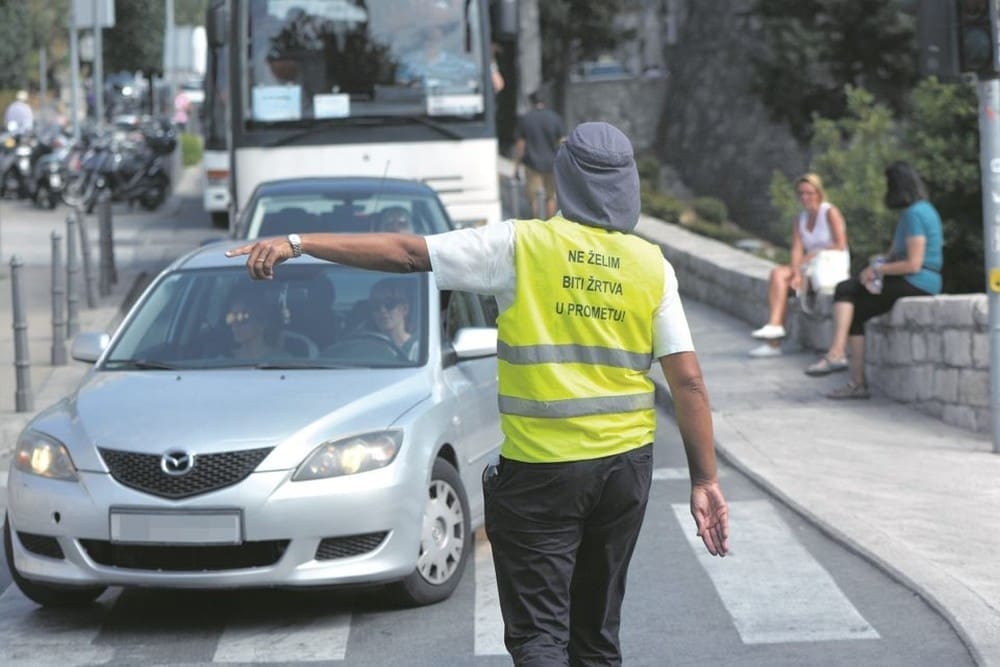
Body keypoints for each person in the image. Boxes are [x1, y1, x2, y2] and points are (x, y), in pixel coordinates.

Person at [227, 121, 729, 665]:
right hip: (624, 471)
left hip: (544, 470)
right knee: (596, 634)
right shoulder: (651, 265)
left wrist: (301, 242)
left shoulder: (519, 245)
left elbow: (405, 252)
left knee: (540, 636)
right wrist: (705, 480)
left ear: (565, 181)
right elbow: (689, 381)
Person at [805, 162, 943, 399]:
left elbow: (913, 263)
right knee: (856, 314)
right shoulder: (918, 212)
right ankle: (856, 383)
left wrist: (878, 271)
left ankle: (837, 353)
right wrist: (877, 264)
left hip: (919, 281)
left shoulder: (915, 214)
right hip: (915, 279)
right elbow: (893, 254)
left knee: (845, 288)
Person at [749, 173, 848, 357]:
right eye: (801, 193)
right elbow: (796, 249)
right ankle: (775, 327)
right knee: (778, 274)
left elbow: (840, 244)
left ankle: (774, 341)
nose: (805, 197)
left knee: (782, 280)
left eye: (809, 193)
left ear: (819, 193)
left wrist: (813, 254)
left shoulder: (829, 212)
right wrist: (796, 273)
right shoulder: (800, 219)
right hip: (807, 267)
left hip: (826, 267)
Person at [513, 91, 565, 219]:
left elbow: (520, 145)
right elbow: (562, 142)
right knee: (551, 196)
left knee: (534, 198)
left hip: (532, 165)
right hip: (552, 164)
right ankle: (550, 223)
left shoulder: (526, 119)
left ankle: (536, 223)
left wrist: (517, 166)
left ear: (532, 102)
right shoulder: (555, 118)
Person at [367, 277, 419, 360]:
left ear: (404, 309)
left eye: (389, 303)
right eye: (375, 305)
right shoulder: (366, 350)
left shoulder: (419, 349)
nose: (382, 310)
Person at [224, 291, 280, 360]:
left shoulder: (283, 362)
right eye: (231, 318)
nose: (234, 326)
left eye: (242, 318)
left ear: (262, 324)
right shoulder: (220, 363)